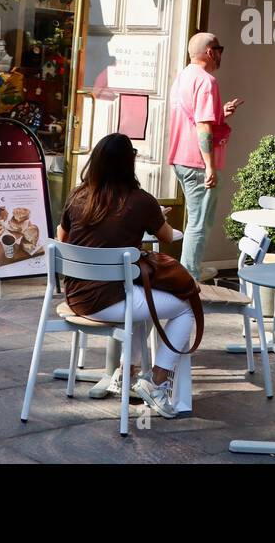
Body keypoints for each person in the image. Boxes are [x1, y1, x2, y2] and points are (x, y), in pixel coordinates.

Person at [57, 132, 192, 418]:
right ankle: (156, 381)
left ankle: (126, 372)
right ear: (129, 162)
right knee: (185, 309)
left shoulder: (77, 196)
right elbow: (167, 236)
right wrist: (156, 217)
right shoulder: (142, 201)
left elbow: (62, 240)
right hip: (109, 302)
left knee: (138, 300)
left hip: (75, 297)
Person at [167, 32, 240, 280]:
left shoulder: (183, 77)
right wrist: (209, 165)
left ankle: (192, 268)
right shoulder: (207, 81)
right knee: (199, 223)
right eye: (220, 50)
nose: (221, 55)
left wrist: (221, 113)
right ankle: (189, 276)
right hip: (198, 162)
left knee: (197, 220)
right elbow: (203, 127)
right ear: (210, 52)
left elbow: (196, 117)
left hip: (180, 158)